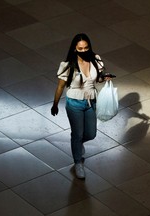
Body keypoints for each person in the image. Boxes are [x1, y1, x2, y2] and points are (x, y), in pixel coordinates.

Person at [51, 33, 110, 179]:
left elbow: (97, 79)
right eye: (80, 48)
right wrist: (55, 104)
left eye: (86, 48)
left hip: (91, 101)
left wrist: (104, 78)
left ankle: (77, 145)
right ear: (74, 49)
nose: (83, 51)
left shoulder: (96, 59)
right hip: (74, 103)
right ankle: (78, 162)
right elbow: (60, 87)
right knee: (77, 134)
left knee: (91, 133)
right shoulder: (68, 65)